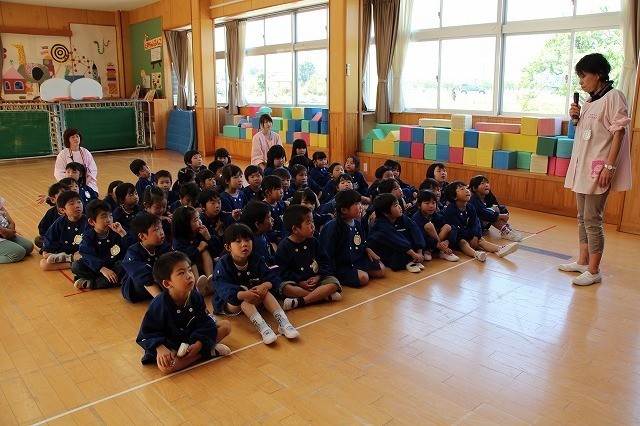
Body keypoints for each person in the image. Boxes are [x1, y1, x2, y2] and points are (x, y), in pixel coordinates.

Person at [559, 53, 632, 286]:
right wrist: (576, 120)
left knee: (593, 219)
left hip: (599, 168)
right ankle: (582, 260)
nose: (580, 81)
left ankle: (594, 270)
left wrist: (609, 166)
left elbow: (618, 133)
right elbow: (591, 134)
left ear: (598, 74)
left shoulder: (614, 97)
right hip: (583, 167)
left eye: (583, 75)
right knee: (582, 217)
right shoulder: (590, 101)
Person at [136, 251, 232, 373]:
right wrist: (160, 348)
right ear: (167, 283)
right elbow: (147, 333)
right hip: (172, 344)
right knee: (166, 368)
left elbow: (204, 323)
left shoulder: (196, 296)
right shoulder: (159, 303)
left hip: (192, 338)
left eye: (190, 270)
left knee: (226, 326)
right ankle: (209, 352)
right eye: (181, 273)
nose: (189, 276)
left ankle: (203, 350)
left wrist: (200, 343)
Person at [212, 223, 299, 345]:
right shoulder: (223, 264)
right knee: (244, 298)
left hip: (253, 296)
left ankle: (284, 323)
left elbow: (272, 276)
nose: (244, 244)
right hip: (231, 302)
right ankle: (264, 328)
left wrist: (266, 285)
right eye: (238, 241)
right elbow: (222, 289)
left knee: (265, 290)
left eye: (247, 240)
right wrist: (242, 294)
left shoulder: (256, 259)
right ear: (228, 247)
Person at [275, 205, 342, 310]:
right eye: (309, 223)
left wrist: (318, 277)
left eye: (313, 222)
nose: (313, 226)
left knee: (334, 284)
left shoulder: (313, 241)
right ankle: (321, 297)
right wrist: (299, 282)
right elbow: (283, 272)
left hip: (316, 280)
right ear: (295, 229)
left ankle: (302, 301)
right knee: (285, 288)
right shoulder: (284, 246)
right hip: (297, 283)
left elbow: (324, 261)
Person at [319, 189, 385, 287]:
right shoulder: (332, 227)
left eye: (360, 203)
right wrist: (328, 274)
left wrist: (368, 249)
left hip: (356, 260)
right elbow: (326, 255)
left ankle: (357, 272)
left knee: (381, 269)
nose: (361, 206)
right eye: (357, 204)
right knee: (364, 278)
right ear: (344, 210)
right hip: (340, 266)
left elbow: (362, 242)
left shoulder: (357, 223)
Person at [442, 181, 520, 262]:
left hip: (469, 234)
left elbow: (476, 222)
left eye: (467, 188)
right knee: (463, 242)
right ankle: (476, 254)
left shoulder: (470, 207)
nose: (467, 190)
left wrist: (475, 236)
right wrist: (469, 237)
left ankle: (500, 249)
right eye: (462, 189)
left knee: (481, 240)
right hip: (456, 237)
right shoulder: (450, 210)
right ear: (454, 196)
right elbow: (456, 227)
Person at [71, 200, 136, 289]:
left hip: (115, 266)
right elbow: (87, 255)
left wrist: (122, 233)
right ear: (92, 222)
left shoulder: (118, 230)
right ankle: (111, 281)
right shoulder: (87, 236)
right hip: (98, 268)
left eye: (110, 215)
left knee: (125, 266)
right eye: (104, 217)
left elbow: (132, 248)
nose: (109, 220)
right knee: (76, 266)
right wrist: (102, 269)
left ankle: (93, 284)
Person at [121, 212, 173, 303]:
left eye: (161, 228)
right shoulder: (133, 252)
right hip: (136, 291)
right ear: (142, 236)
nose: (161, 232)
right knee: (144, 274)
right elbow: (141, 275)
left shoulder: (164, 246)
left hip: (159, 281)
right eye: (156, 230)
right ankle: (162, 301)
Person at [367, 193, 426, 273]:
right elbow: (396, 240)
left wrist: (419, 251)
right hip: (383, 251)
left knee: (410, 232)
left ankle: (413, 258)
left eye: (398, 204)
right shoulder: (380, 225)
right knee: (398, 243)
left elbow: (414, 228)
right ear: (386, 213)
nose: (399, 207)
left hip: (402, 246)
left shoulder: (400, 216)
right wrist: (414, 254)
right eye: (395, 205)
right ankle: (409, 261)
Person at [171, 206, 217, 296]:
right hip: (187, 270)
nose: (200, 222)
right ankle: (197, 285)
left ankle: (210, 281)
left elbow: (215, 251)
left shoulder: (201, 232)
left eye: (199, 218)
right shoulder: (178, 240)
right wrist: (198, 249)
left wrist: (208, 237)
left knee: (205, 252)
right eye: (196, 220)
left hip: (203, 266)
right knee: (189, 259)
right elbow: (184, 256)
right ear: (185, 225)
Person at [40, 191, 88, 270]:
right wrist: (46, 252)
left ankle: (71, 260)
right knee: (43, 264)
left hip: (80, 253)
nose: (77, 206)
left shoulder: (87, 221)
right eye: (71, 204)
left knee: (84, 256)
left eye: (79, 202)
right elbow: (50, 239)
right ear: (62, 210)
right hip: (64, 252)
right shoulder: (59, 222)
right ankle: (70, 260)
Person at [468, 175, 522, 242]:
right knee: (490, 213)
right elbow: (482, 213)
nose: (486, 185)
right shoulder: (473, 199)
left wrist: (504, 214)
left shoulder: (488, 195)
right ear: (474, 188)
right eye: (482, 183)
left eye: (487, 183)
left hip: (484, 222)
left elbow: (497, 205)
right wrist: (500, 216)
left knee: (496, 209)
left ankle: (506, 228)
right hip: (474, 226)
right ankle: (505, 230)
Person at [54, 128, 99, 193]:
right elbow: (59, 172)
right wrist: (71, 185)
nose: (76, 139)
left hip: (86, 183)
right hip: (69, 185)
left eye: (77, 136)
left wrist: (84, 183)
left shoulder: (85, 152)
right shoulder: (62, 154)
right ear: (68, 140)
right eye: (73, 137)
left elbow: (92, 170)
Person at [35, 182, 70, 249]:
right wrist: (51, 237)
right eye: (62, 195)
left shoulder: (73, 211)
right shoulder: (51, 213)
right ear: (53, 200)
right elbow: (42, 228)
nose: (66, 198)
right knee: (38, 240)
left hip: (72, 240)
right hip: (56, 240)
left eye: (69, 194)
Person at [0, 198, 34, 263]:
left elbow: (10, 221)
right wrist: (3, 231)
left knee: (28, 247)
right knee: (18, 253)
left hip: (4, 231)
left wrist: (11, 226)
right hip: (2, 232)